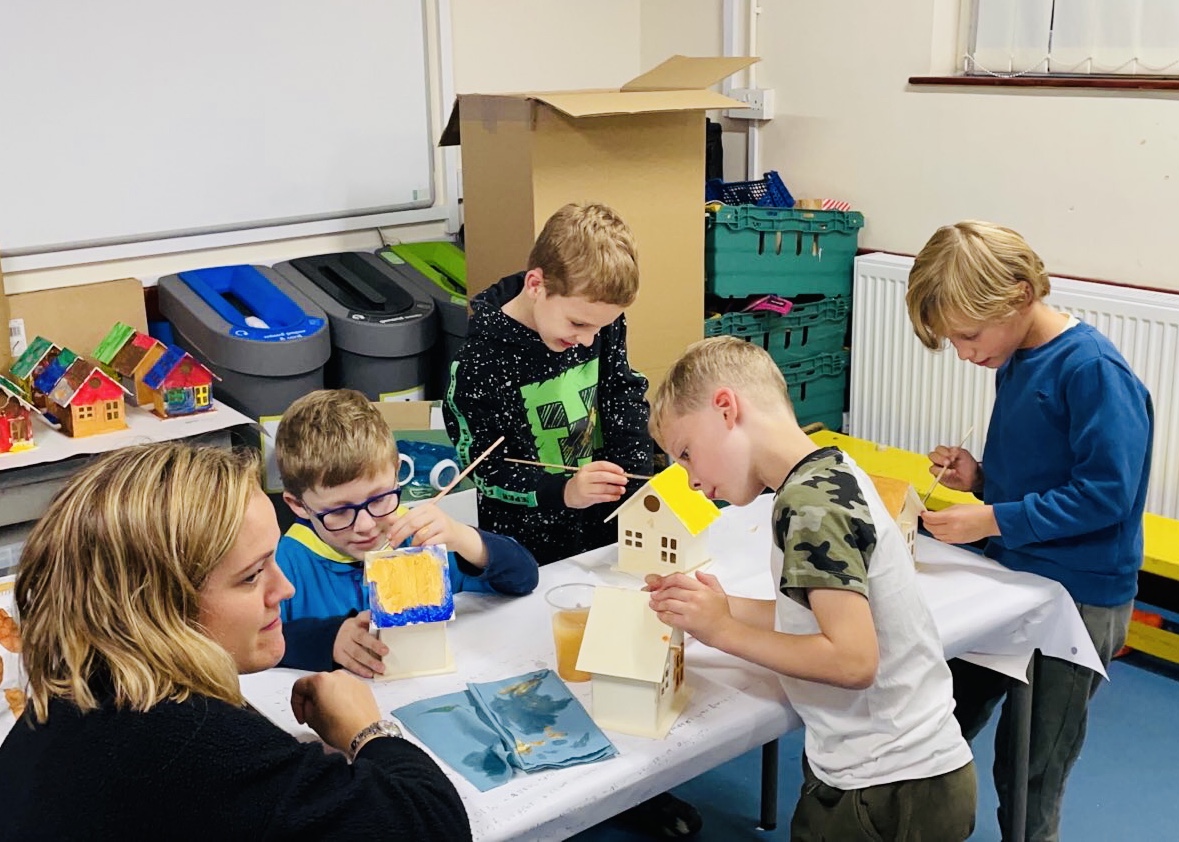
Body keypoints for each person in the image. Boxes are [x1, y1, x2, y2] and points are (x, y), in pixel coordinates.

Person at [0, 442, 471, 841]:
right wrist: (367, 729)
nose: (283, 589)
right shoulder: (188, 742)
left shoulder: (78, 691)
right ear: (155, 605)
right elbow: (432, 823)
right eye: (251, 576)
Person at [645, 336, 977, 842]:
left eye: (686, 452)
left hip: (885, 788)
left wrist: (722, 631)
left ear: (726, 409)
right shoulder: (830, 471)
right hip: (899, 777)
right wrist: (722, 607)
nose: (689, 479)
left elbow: (851, 661)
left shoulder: (809, 505)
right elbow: (811, 615)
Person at [906, 220, 1154, 841]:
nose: (964, 353)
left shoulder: (1092, 370)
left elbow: (1106, 495)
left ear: (1018, 295)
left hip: (1080, 598)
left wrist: (992, 517)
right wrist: (983, 479)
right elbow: (1046, 473)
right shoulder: (1012, 354)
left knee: (1034, 767)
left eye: (968, 335)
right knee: (944, 717)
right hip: (1014, 575)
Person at [444, 201, 655, 567]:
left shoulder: (596, 319)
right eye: (578, 325)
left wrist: (637, 482)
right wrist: (565, 491)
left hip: (602, 533)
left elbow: (621, 393)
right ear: (536, 284)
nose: (589, 340)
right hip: (528, 552)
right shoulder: (479, 365)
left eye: (600, 328)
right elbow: (487, 470)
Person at [274, 389, 538, 678]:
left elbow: (525, 579)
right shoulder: (283, 564)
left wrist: (463, 538)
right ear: (298, 505)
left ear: (397, 470)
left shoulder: (420, 537)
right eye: (338, 512)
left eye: (378, 499)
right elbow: (243, 649)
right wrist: (326, 640)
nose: (365, 525)